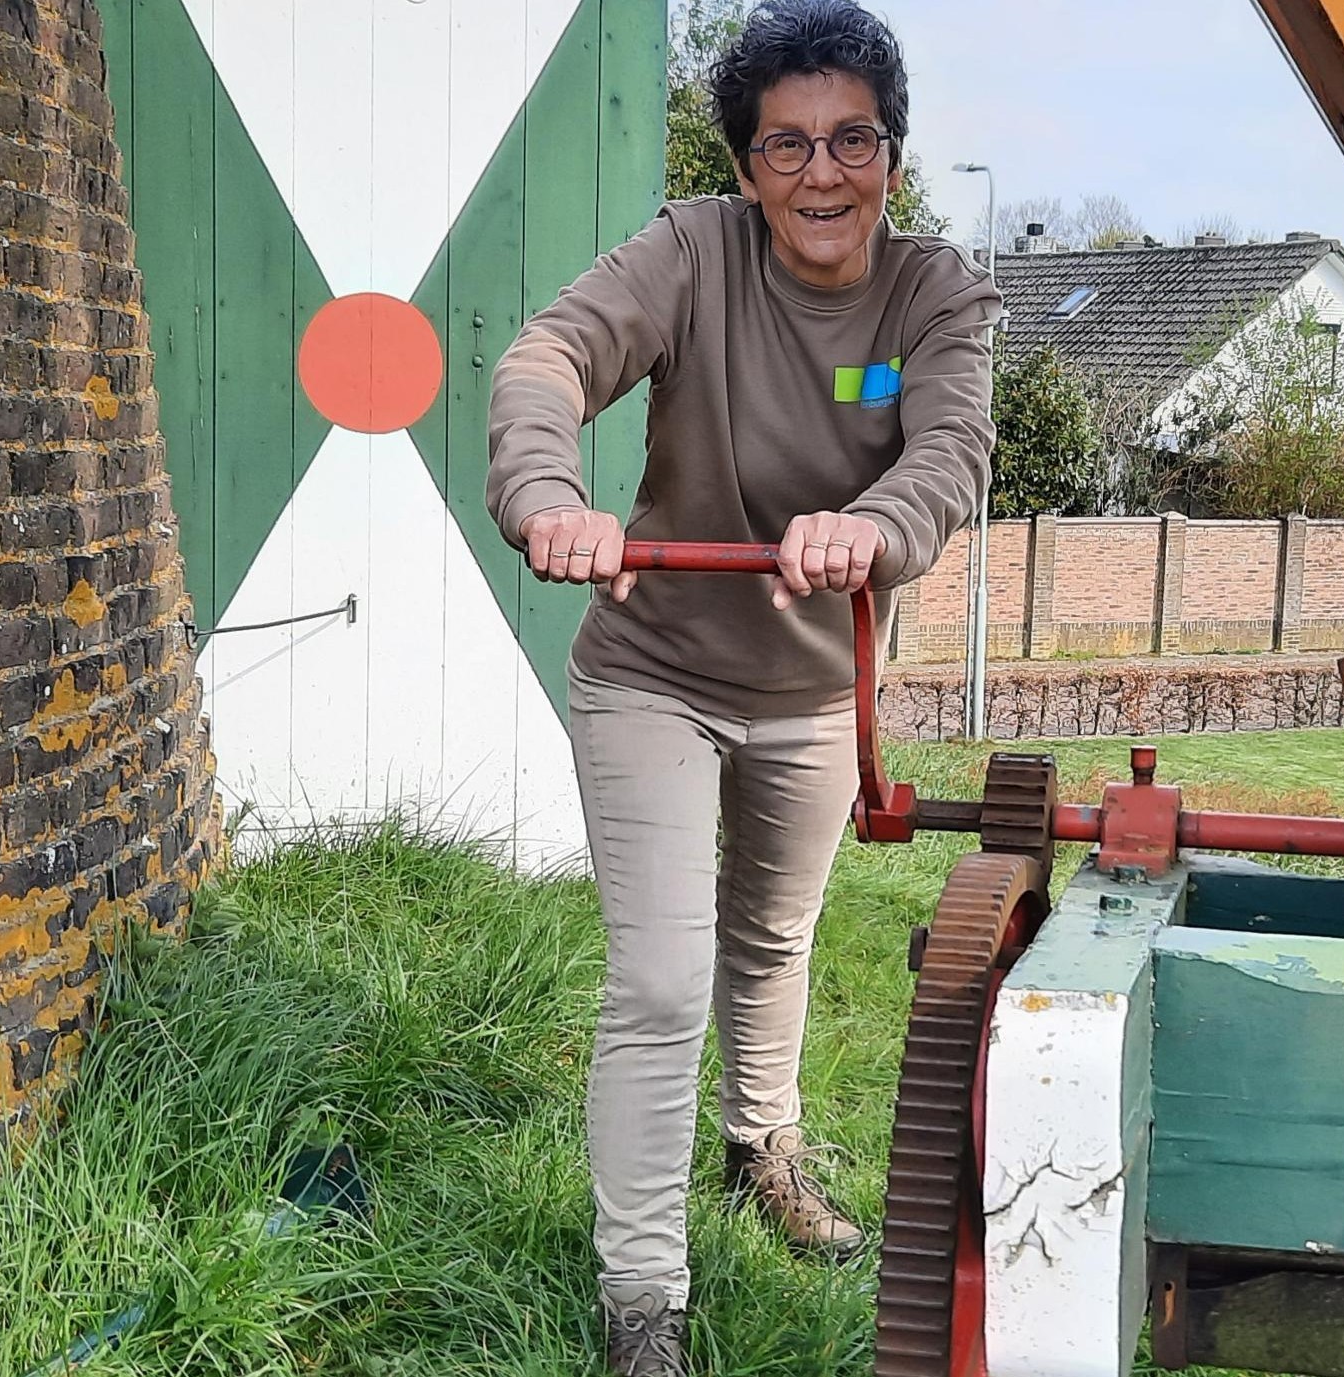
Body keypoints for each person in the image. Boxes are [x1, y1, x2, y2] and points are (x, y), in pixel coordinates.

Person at [484, 2, 1000, 1372]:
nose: (821, 175)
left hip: (821, 682)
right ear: (744, 161)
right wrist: (547, 497)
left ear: (891, 151)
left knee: (774, 937)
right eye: (785, 146)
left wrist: (875, 524)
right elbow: (547, 359)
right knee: (661, 978)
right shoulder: (690, 253)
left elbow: (949, 452)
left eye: (851, 140)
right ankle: (642, 1292)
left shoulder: (935, 290)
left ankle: (761, 1148)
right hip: (656, 665)